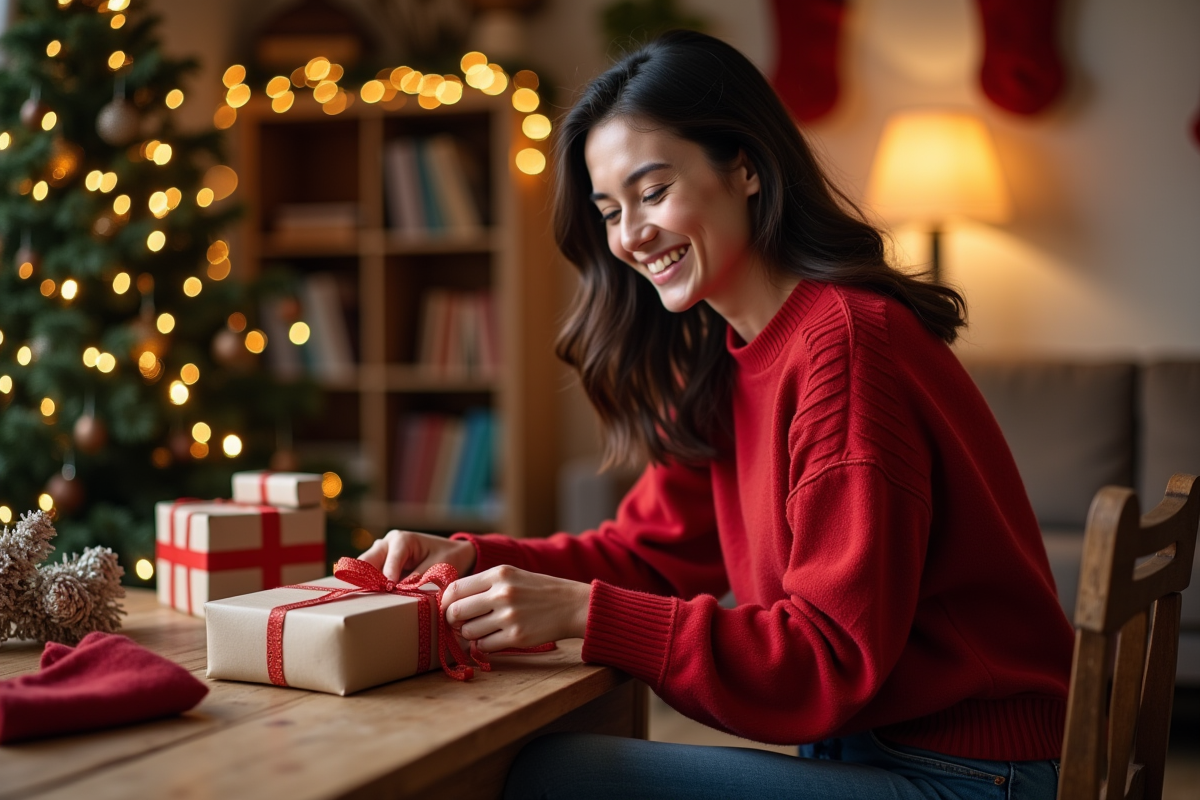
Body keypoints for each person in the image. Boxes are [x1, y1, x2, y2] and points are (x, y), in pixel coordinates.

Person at [359, 30, 1074, 800]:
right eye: (609, 210)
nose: (630, 236)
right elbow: (646, 555)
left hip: (972, 775)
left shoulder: (846, 350)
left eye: (654, 191)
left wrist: (579, 611)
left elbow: (825, 659)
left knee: (551, 777)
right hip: (880, 752)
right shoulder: (734, 353)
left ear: (745, 167)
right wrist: (475, 557)